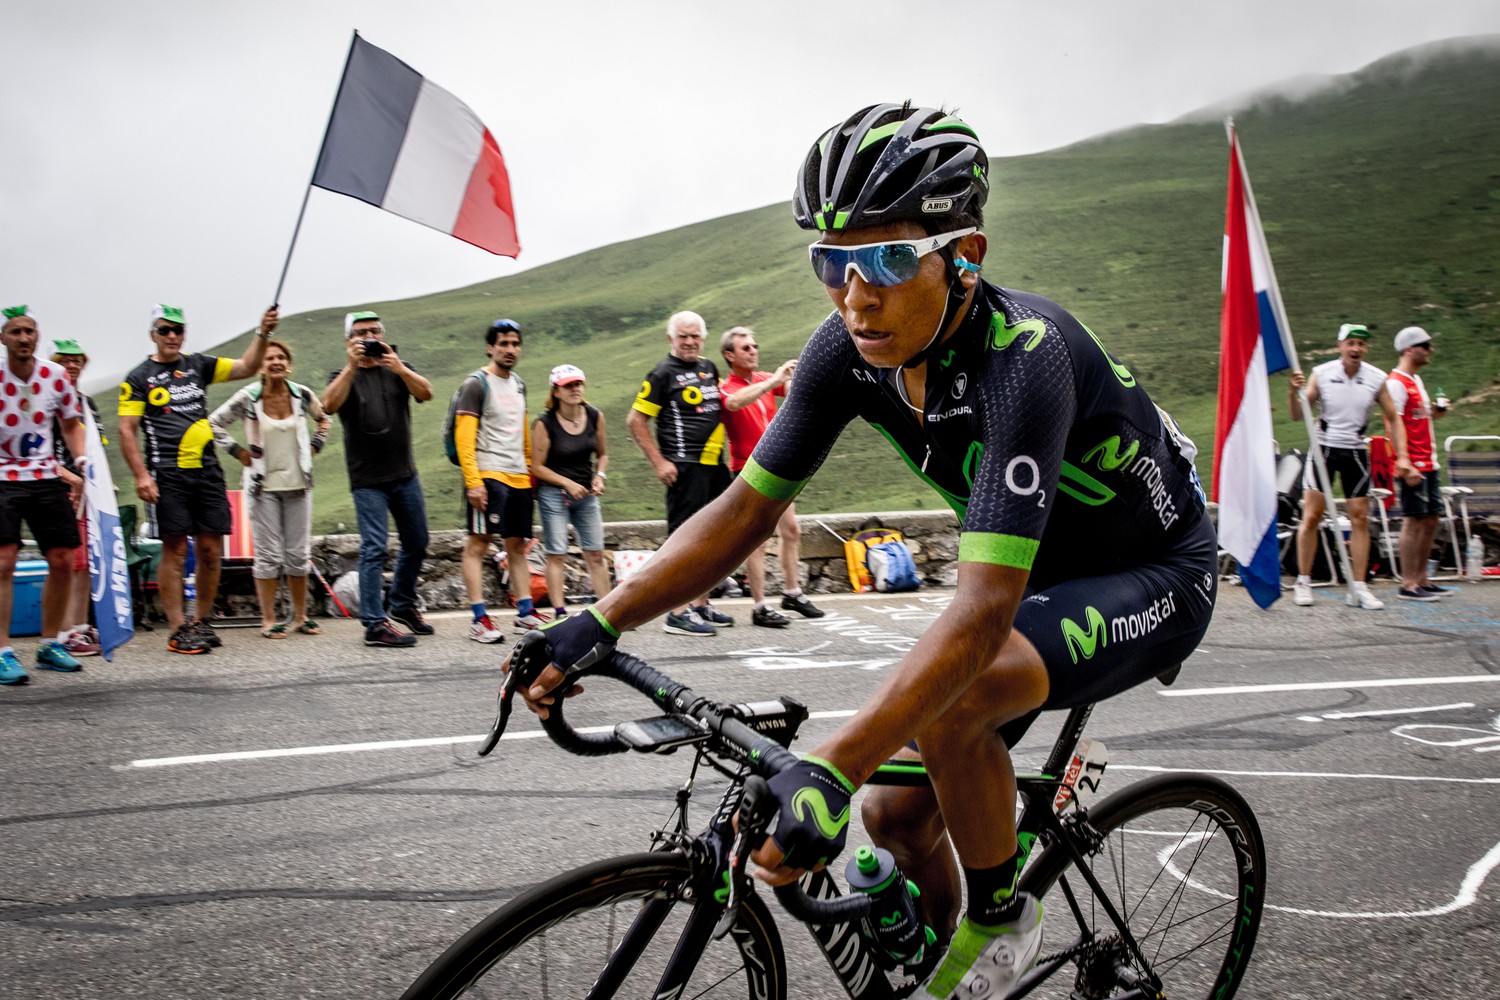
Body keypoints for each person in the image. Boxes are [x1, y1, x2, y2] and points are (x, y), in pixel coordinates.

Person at [517, 103, 1217, 1000]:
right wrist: (599, 620)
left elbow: (982, 610)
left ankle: (1001, 922)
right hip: (1042, 582)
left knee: (954, 703)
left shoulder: (1026, 355)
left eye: (887, 259)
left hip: (1155, 575)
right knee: (892, 817)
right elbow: (740, 513)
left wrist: (831, 766)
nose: (857, 295)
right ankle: (934, 971)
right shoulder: (845, 351)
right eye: (832, 263)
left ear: (966, 256)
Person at [119, 304, 275, 654]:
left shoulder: (198, 365)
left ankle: (201, 621)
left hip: (206, 470)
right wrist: (142, 476)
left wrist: (263, 333)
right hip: (166, 472)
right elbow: (127, 430)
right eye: (164, 330)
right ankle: (178, 628)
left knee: (209, 550)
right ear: (153, 334)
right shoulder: (138, 377)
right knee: (175, 550)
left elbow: (248, 366)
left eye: (178, 330)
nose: (172, 336)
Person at [322, 310, 434, 647]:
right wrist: (352, 366)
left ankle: (401, 603)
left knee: (417, 541)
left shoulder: (397, 368)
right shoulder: (341, 375)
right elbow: (327, 405)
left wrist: (399, 368)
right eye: (360, 333)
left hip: (404, 473)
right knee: (374, 548)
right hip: (367, 479)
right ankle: (374, 623)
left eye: (374, 331)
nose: (369, 338)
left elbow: (426, 393)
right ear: (349, 340)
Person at [209, 340, 331, 638]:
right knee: (268, 555)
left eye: (281, 357)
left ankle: (301, 617)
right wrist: (237, 451)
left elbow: (324, 418)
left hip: (299, 485)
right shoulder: (248, 398)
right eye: (269, 358)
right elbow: (213, 423)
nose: (275, 362)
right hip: (262, 488)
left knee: (298, 554)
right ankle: (268, 619)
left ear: (288, 363)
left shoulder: (302, 395)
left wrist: (316, 444)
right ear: (260, 366)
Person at [1287, 323, 1410, 610]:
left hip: (1355, 449)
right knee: (1312, 516)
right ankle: (1303, 582)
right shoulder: (1322, 373)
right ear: (1340, 345)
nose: (1356, 349)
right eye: (1351, 343)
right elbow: (1297, 415)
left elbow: (1394, 416)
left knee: (1360, 519)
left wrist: (1402, 455)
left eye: (1362, 344)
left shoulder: (1376, 378)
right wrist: (1293, 393)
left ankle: (1359, 588)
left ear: (1366, 349)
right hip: (1324, 449)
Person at [626, 311, 734, 636]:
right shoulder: (661, 373)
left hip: (714, 465)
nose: (689, 342)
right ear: (670, 339)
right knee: (684, 542)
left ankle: (700, 604)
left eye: (695, 336)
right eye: (683, 336)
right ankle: (676, 612)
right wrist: (660, 462)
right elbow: (635, 420)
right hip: (684, 466)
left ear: (703, 338)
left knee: (712, 538)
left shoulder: (708, 367)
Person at [0, 307, 90, 685]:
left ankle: (50, 643)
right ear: (3, 339)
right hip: (2, 475)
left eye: (30, 331)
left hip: (44, 473)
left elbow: (70, 423)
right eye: (15, 332)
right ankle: (3, 651)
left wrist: (81, 458)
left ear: (37, 337)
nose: (24, 338)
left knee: (62, 558)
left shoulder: (54, 376)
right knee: (4, 560)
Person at [719, 326, 823, 627]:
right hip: (747, 470)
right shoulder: (727, 387)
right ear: (730, 355)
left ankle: (792, 592)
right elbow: (735, 403)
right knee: (758, 540)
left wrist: (794, 375)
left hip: (777, 467)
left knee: (791, 531)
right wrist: (776, 380)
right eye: (745, 348)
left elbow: (793, 393)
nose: (753, 351)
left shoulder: (765, 379)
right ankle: (760, 605)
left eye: (754, 346)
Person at [455, 319, 544, 642]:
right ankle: (479, 618)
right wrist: (473, 481)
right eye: (503, 344)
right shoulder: (477, 384)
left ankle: (525, 612)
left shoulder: (518, 384)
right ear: (490, 347)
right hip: (489, 474)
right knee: (478, 544)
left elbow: (521, 432)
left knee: (517, 546)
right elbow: (464, 437)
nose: (510, 350)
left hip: (518, 475)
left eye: (515, 344)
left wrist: (530, 471)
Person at [530, 364, 613, 620]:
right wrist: (566, 483)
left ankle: (608, 610)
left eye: (578, 384)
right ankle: (560, 612)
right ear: (556, 391)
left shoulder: (594, 416)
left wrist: (599, 476)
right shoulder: (544, 424)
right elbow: (536, 467)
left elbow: (602, 454)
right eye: (568, 386)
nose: (575, 389)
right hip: (554, 494)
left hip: (586, 494)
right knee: (557, 553)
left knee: (595, 552)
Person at [1385, 325, 1449, 601]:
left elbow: (1417, 417)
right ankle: (1408, 583)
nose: (1430, 350)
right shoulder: (1396, 382)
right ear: (1410, 350)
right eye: (1425, 346)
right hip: (1413, 462)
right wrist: (1404, 461)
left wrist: (1436, 411)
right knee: (1413, 520)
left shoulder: (1416, 381)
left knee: (1431, 519)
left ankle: (1422, 578)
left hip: (1429, 460)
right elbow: (1392, 422)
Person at [49, 339, 104, 658]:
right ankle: (64, 629)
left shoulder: (87, 402)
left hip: (90, 489)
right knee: (66, 561)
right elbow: (38, 449)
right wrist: (68, 477)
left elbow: (97, 445)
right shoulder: (49, 399)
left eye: (77, 361)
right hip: (61, 487)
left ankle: (81, 626)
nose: (71, 366)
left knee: (85, 563)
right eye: (65, 361)